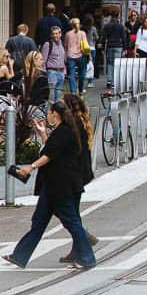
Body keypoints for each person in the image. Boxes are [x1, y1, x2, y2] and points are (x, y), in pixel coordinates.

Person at [2, 101, 97, 270]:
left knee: (71, 222)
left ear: (55, 114)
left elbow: (49, 155)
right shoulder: (61, 132)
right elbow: (51, 149)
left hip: (62, 186)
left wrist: (30, 167)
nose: (47, 115)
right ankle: (19, 256)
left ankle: (87, 258)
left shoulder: (65, 132)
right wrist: (43, 133)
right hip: (52, 186)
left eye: (49, 112)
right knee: (38, 221)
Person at [59, 94, 98, 263]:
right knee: (72, 213)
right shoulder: (80, 123)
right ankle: (78, 247)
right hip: (79, 175)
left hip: (72, 176)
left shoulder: (71, 126)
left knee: (69, 214)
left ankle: (84, 240)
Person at [41, 26, 67, 103]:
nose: (55, 36)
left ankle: (56, 113)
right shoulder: (48, 44)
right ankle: (47, 113)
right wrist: (44, 73)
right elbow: (43, 60)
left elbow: (64, 59)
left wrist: (64, 72)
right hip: (51, 72)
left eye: (56, 34)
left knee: (58, 96)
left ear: (60, 34)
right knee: (51, 96)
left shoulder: (63, 44)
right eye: (53, 34)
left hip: (61, 72)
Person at [64, 18, 89, 95]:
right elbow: (86, 45)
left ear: (71, 25)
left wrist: (65, 56)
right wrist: (89, 55)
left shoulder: (67, 34)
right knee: (82, 73)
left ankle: (73, 92)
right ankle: (80, 89)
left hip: (70, 55)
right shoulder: (82, 33)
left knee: (71, 74)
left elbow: (66, 46)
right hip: (81, 55)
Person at [102, 10, 126, 86]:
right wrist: (125, 48)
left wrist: (103, 48)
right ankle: (114, 81)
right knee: (117, 64)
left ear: (111, 16)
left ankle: (109, 80)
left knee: (109, 63)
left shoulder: (107, 26)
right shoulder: (120, 26)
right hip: (118, 46)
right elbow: (123, 37)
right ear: (118, 16)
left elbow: (104, 38)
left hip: (109, 45)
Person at [82, 15, 99, 80]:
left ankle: (83, 76)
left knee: (84, 63)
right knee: (91, 64)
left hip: (84, 47)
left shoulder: (82, 28)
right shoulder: (93, 28)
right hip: (92, 47)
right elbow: (96, 37)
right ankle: (90, 81)